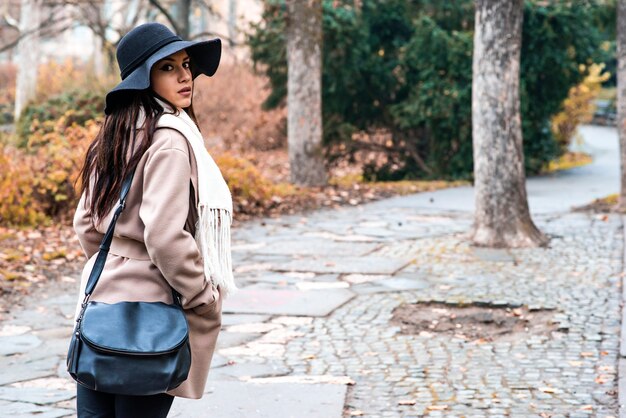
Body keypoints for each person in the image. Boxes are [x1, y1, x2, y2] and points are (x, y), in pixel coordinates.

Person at [72, 22, 236, 417]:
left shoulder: (114, 135)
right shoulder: (171, 140)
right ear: (144, 79)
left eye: (185, 64)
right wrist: (201, 296)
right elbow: (164, 237)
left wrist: (120, 261)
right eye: (167, 67)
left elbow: (85, 224)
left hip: (101, 305)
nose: (184, 76)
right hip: (152, 313)